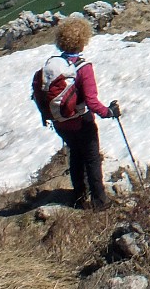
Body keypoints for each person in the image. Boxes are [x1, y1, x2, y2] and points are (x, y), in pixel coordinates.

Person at [40, 15, 120, 210]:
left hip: (61, 123)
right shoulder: (83, 68)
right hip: (81, 121)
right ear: (82, 40)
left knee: (75, 155)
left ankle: (79, 197)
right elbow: (92, 101)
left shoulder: (53, 65)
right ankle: (100, 202)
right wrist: (109, 112)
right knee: (92, 159)